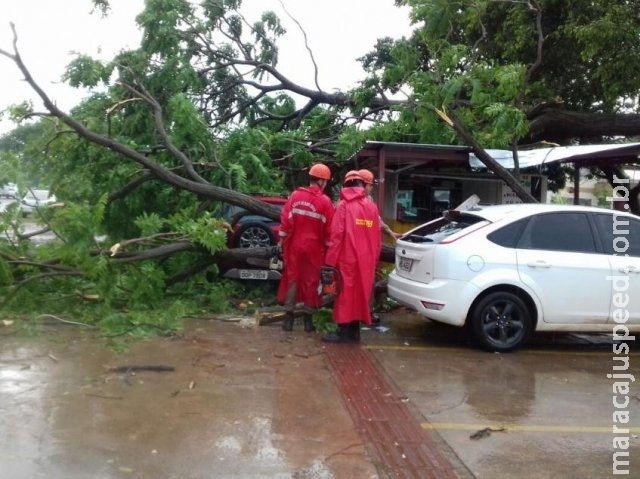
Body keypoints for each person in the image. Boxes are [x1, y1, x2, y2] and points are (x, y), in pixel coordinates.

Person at [321, 170, 382, 343]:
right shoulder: (371, 207)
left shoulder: (343, 206)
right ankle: (355, 333)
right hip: (366, 261)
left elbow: (336, 236)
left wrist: (329, 263)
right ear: (361, 185)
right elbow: (377, 238)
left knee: (345, 296)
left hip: (346, 260)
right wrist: (374, 261)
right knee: (360, 296)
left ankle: (343, 333)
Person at [277, 162, 335, 332]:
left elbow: (285, 223)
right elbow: (329, 230)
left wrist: (280, 243)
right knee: (311, 282)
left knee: (292, 278)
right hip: (314, 249)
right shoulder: (325, 202)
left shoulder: (294, 196)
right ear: (322, 181)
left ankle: (288, 320)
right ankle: (308, 321)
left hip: (294, 246)